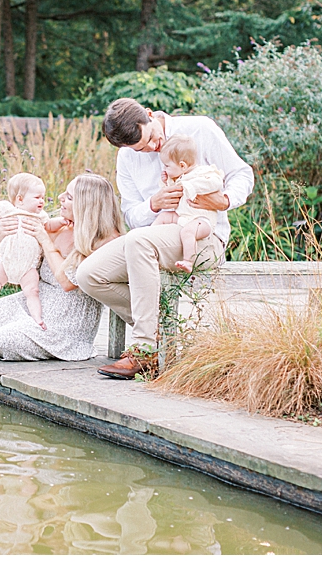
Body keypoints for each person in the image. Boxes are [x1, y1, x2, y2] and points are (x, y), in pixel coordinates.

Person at [76, 98, 254, 379]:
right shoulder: (127, 156)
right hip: (154, 234)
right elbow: (131, 215)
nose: (150, 149)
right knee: (88, 274)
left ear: (149, 115)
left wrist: (224, 200)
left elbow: (242, 173)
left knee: (140, 241)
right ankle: (164, 331)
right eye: (140, 149)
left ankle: (145, 350)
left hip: (201, 236)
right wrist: (153, 204)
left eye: (150, 139)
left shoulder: (199, 129)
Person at [0, 173, 124, 361]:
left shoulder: (105, 240)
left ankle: (16, 335)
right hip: (35, 302)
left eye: (69, 197)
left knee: (7, 339)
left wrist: (45, 240)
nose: (61, 197)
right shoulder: (62, 226)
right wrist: (1, 233)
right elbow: (21, 257)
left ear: (86, 205)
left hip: (66, 322)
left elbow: (68, 282)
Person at [0, 172, 68, 330]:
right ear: (20, 199)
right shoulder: (6, 209)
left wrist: (61, 221)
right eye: (37, 197)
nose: (42, 201)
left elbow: (50, 225)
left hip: (28, 266)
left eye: (43, 197)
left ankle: (37, 318)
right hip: (6, 262)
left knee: (32, 291)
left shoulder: (40, 216)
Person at [150, 135, 225, 273]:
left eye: (167, 166)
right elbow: (173, 192)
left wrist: (191, 186)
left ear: (182, 165)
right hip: (184, 216)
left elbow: (216, 182)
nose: (164, 169)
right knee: (164, 216)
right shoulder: (180, 177)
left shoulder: (203, 173)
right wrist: (167, 182)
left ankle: (188, 261)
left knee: (187, 232)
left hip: (202, 221)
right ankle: (149, 237)